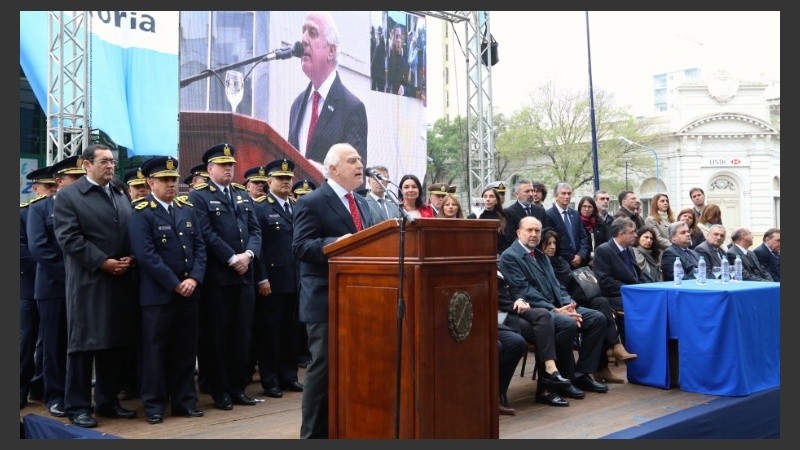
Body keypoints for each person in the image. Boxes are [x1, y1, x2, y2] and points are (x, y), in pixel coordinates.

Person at [53, 144, 140, 428]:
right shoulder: (69, 196)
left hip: (120, 279)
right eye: (104, 161)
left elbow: (129, 229)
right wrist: (103, 262)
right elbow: (69, 238)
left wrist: (130, 257)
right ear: (86, 164)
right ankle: (77, 406)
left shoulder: (118, 192)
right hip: (90, 281)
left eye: (113, 162)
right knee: (84, 344)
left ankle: (107, 400)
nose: (111, 166)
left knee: (113, 343)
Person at [292, 143, 374, 438]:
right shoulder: (312, 202)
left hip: (359, 298)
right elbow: (300, 247)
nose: (360, 164)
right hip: (325, 298)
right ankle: (312, 435)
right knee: (323, 368)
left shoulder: (363, 202)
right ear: (332, 168)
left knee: (355, 366)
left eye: (360, 159)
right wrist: (340, 243)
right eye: (352, 160)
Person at [128, 156, 206, 425]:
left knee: (185, 349)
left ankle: (185, 401)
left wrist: (194, 278)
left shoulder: (187, 210)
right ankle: (154, 404)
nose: (171, 184)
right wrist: (175, 283)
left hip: (189, 292)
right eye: (164, 180)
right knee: (155, 352)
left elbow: (200, 248)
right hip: (158, 295)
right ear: (150, 182)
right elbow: (146, 255)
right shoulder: (142, 212)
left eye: (173, 180)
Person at [499, 216, 609, 399]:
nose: (534, 234)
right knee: (566, 324)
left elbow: (557, 285)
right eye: (529, 230)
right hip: (533, 311)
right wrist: (555, 309)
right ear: (519, 233)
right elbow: (524, 291)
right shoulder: (511, 256)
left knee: (597, 319)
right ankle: (556, 380)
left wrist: (569, 305)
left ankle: (580, 374)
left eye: (537, 231)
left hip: (559, 306)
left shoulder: (541, 256)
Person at [188, 143, 262, 411]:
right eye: (223, 165)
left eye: (231, 164)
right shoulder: (199, 197)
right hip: (219, 278)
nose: (229, 169)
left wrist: (249, 255)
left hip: (244, 276)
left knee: (241, 335)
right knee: (217, 337)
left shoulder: (242, 195)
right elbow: (205, 233)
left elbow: (255, 230)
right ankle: (220, 391)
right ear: (210, 169)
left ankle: (237, 387)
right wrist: (232, 258)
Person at [26, 158, 84, 418]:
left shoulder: (84, 207)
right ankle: (55, 396)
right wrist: (70, 275)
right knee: (54, 344)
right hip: (54, 287)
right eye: (74, 178)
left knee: (81, 344)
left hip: (84, 287)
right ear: (59, 182)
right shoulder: (40, 209)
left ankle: (78, 394)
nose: (80, 182)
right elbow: (39, 249)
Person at [251, 158, 305, 399]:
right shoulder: (260, 207)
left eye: (288, 179)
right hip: (271, 281)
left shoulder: (297, 207)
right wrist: (262, 278)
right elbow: (258, 248)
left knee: (291, 332)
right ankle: (270, 380)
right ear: (269, 181)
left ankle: (289, 376)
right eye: (280, 179)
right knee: (270, 334)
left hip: (294, 279)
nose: (285, 182)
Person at [288, 11, 368, 171]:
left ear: (331, 51)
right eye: (303, 31)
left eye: (312, 32)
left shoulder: (352, 108)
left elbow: (355, 179)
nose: (303, 39)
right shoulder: (297, 105)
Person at [497, 270, 572, 408]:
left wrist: (520, 299)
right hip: (502, 316)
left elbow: (516, 288)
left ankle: (551, 370)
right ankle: (547, 385)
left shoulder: (499, 265)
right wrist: (516, 305)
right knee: (544, 330)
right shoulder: (483, 266)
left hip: (515, 311)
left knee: (544, 317)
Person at [20, 166, 55, 410]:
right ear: (35, 188)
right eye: (47, 186)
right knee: (25, 340)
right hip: (27, 285)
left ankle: (41, 387)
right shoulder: (22, 212)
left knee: (50, 341)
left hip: (52, 285)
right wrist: (47, 264)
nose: (52, 190)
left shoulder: (60, 210)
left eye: (55, 186)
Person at [590, 217, 642, 380]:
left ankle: (640, 356)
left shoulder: (629, 250)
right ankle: (621, 351)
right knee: (633, 312)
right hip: (612, 296)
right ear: (621, 233)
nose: (636, 235)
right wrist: (629, 291)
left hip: (630, 294)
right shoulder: (604, 250)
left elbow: (634, 276)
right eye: (632, 232)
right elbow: (605, 281)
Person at [545, 183, 590, 269]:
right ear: (556, 195)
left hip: (579, 262)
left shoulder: (575, 214)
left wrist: (580, 255)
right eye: (563, 193)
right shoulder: (549, 215)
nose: (567, 196)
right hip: (561, 263)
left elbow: (583, 237)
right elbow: (551, 241)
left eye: (569, 193)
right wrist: (571, 258)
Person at [467, 186, 512, 255]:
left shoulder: (503, 217)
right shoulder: (473, 217)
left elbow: (507, 240)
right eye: (485, 197)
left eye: (491, 196)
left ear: (496, 200)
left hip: (498, 256)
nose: (488, 199)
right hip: (478, 255)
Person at [504, 179, 549, 244]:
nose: (531, 194)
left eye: (532, 190)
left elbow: (545, 232)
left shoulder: (540, 211)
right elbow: (510, 237)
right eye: (527, 191)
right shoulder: (509, 212)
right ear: (517, 194)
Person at [576, 195, 609, 266]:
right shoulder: (576, 223)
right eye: (584, 206)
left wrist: (597, 258)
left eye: (590, 207)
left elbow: (606, 242)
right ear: (580, 207)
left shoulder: (600, 223)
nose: (587, 209)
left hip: (599, 261)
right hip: (582, 262)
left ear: (594, 208)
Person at [386, 24, 410, 96]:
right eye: (397, 37)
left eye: (400, 37)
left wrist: (404, 89)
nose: (399, 40)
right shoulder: (389, 59)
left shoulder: (405, 63)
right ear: (393, 39)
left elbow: (409, 87)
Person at [371, 25, 386, 92]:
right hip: (381, 72)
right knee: (381, 90)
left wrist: (371, 67)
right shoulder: (383, 48)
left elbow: (374, 60)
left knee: (374, 88)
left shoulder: (378, 48)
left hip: (376, 72)